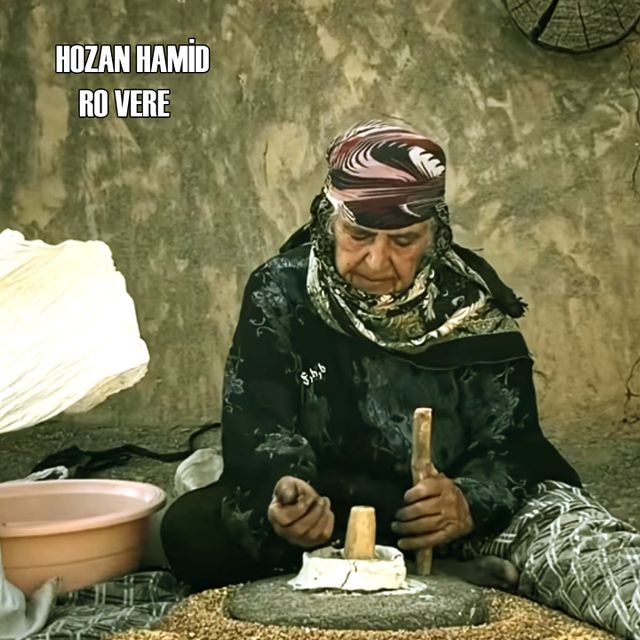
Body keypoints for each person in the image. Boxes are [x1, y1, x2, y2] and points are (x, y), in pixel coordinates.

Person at [162, 121, 639, 639]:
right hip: (333, 504)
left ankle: (403, 567)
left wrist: (468, 500)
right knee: (193, 530)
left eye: (404, 240)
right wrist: (287, 493)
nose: (376, 261)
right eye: (358, 235)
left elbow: (514, 441)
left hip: (437, 514)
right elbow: (257, 422)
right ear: (328, 221)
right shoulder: (280, 291)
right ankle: (416, 574)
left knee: (578, 544)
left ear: (434, 235)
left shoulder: (470, 305)